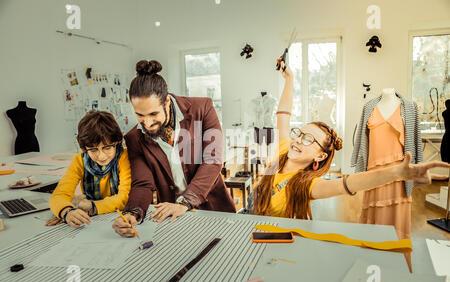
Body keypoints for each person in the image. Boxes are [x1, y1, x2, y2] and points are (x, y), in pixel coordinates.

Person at [247, 58, 450, 219]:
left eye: (308, 139)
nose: (299, 140)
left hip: (268, 244)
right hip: (245, 224)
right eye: (299, 134)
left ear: (319, 156)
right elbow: (283, 114)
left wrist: (397, 171)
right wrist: (289, 78)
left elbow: (351, 183)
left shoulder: (308, 185)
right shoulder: (283, 151)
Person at [112, 60, 235, 238]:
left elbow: (212, 160)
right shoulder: (134, 138)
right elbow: (142, 183)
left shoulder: (202, 109)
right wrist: (132, 214)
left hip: (213, 209)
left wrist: (185, 202)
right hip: (173, 217)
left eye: (153, 114)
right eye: (140, 115)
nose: (147, 123)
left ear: (167, 101)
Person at [48, 111, 131, 228]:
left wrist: (93, 207)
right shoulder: (80, 160)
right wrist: (66, 212)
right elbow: (59, 194)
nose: (101, 156)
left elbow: (124, 198)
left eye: (107, 147)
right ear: (84, 148)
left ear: (117, 142)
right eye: (93, 150)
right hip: (93, 221)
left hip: (119, 217)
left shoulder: (123, 157)